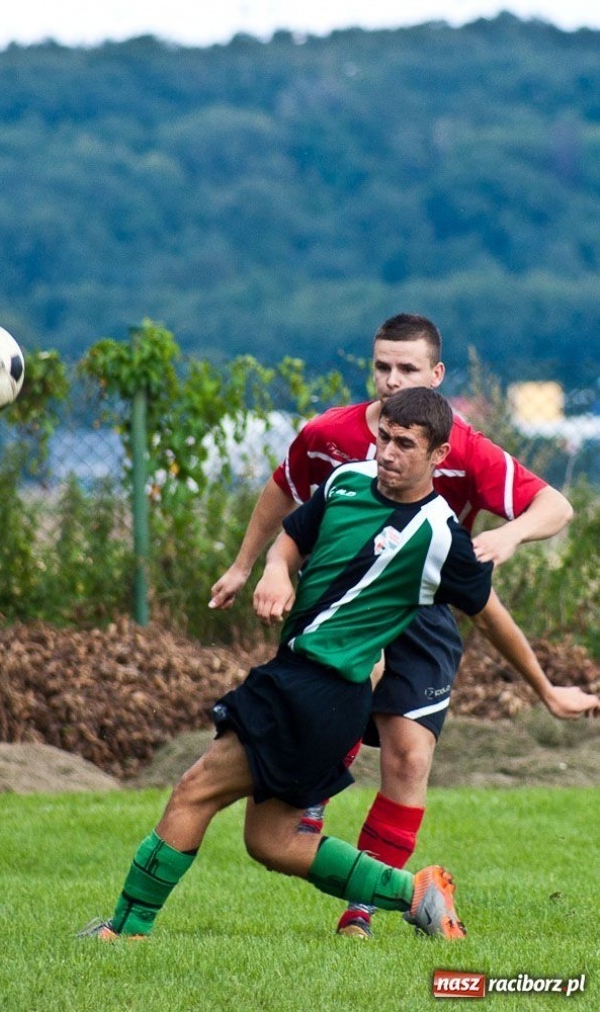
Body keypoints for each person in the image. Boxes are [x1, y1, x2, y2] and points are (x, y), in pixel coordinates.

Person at [209, 313, 599, 939]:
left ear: (436, 374)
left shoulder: (461, 447)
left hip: (422, 608)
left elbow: (555, 505)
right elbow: (283, 490)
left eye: (408, 368)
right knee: (334, 697)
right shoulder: (332, 435)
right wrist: (247, 566)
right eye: (382, 367)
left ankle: (361, 913)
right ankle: (313, 796)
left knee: (410, 757)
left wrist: (511, 533)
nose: (392, 380)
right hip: (342, 605)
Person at [78, 388, 504, 944]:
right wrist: (272, 569)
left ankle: (125, 931)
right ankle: (416, 893)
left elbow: (490, 611)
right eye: (383, 437)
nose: (387, 451)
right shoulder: (347, 482)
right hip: (322, 693)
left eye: (404, 443)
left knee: (195, 789)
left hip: (312, 688)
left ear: (438, 454)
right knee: (273, 842)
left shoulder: (437, 531)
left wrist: (546, 688)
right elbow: (290, 536)